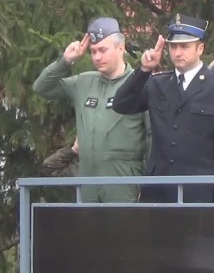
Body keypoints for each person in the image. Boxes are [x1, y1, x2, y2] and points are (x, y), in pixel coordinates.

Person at [112, 13, 214, 203]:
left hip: (201, 192)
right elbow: (121, 104)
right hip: (159, 191)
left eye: (185, 46)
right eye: (173, 46)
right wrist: (144, 70)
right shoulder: (158, 83)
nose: (178, 53)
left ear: (200, 48)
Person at [33, 17, 150, 202]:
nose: (97, 57)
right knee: (88, 222)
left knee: (123, 223)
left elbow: (152, 139)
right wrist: (66, 61)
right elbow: (41, 88)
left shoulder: (140, 85)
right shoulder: (84, 82)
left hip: (124, 182)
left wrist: (149, 184)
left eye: (103, 50)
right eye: (93, 51)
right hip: (88, 183)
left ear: (121, 47)